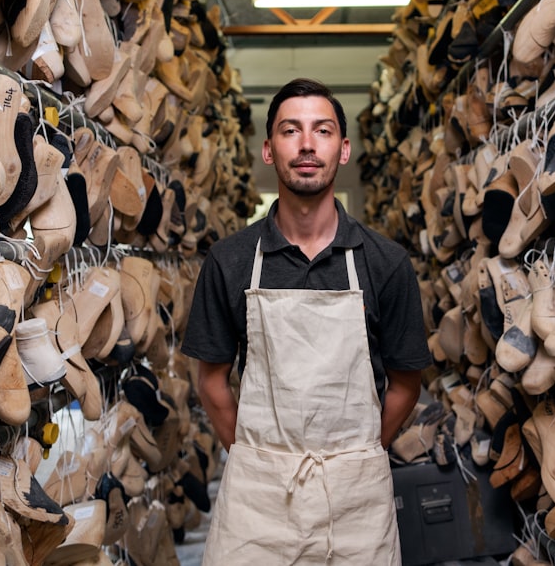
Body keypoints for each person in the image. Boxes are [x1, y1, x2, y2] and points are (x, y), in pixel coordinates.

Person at [181, 77, 431, 564]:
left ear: (343, 149)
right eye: (290, 131)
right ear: (269, 150)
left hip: (357, 500)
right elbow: (211, 381)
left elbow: (406, 383)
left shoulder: (385, 262)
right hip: (257, 503)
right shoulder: (230, 261)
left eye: (323, 130)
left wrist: (358, 456)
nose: (307, 144)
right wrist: (258, 458)